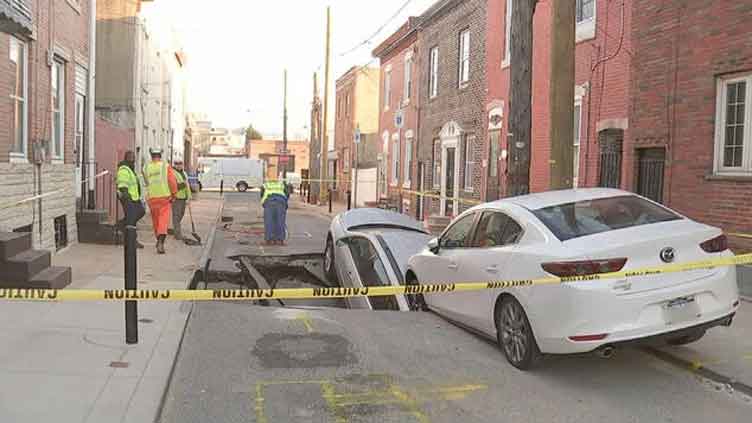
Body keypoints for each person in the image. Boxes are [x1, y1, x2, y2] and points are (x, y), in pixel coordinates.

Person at [143, 147, 178, 254]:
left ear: (151, 155)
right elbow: (172, 181)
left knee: (156, 222)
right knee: (163, 222)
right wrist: (174, 194)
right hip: (164, 198)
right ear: (160, 155)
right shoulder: (165, 166)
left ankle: (158, 240)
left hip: (152, 198)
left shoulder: (145, 167)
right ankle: (161, 243)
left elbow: (146, 183)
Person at [116, 151, 145, 249]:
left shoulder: (130, 169)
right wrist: (126, 197)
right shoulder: (124, 169)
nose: (133, 160)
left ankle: (121, 224)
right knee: (131, 221)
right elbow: (122, 185)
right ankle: (132, 241)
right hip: (128, 198)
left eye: (133, 158)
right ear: (126, 158)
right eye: (131, 158)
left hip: (135, 198)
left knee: (141, 211)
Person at [259, 179, 290, 245]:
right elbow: (287, 194)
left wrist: (264, 203)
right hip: (281, 202)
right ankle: (280, 240)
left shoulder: (265, 185)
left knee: (269, 221)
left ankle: (269, 240)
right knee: (280, 221)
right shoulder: (282, 184)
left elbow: (262, 195)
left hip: (269, 202)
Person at [171, 160, 192, 241]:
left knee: (181, 215)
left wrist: (189, 196)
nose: (179, 165)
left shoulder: (184, 173)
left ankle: (176, 229)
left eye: (180, 163)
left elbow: (187, 185)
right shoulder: (173, 173)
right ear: (174, 164)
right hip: (177, 197)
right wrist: (183, 184)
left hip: (184, 197)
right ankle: (177, 234)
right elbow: (174, 185)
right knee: (176, 216)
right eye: (177, 163)